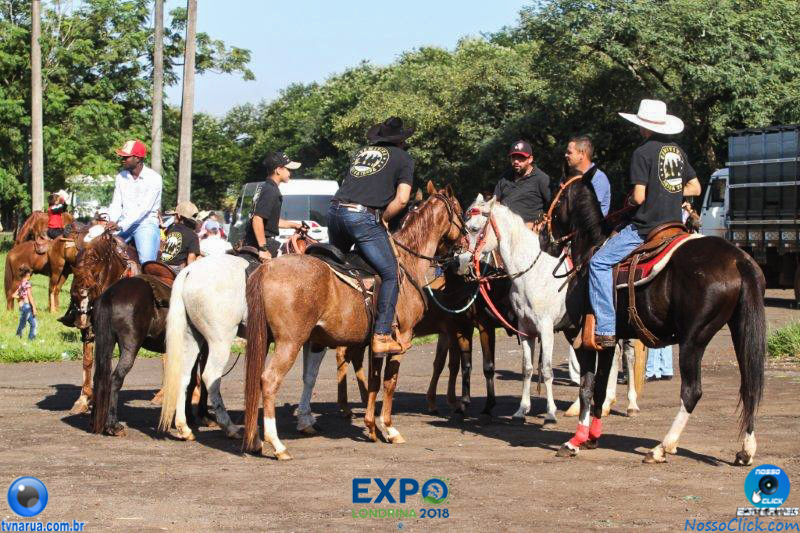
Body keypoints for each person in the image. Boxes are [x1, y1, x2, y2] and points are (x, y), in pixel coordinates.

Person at [589, 99, 702, 348]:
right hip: (676, 226)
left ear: (643, 127)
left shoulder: (642, 153)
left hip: (646, 227)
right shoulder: (678, 151)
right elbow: (695, 187)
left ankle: (606, 327)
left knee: (598, 263)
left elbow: (639, 197)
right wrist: (671, 190)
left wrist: (639, 195)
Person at [328, 116, 414, 356]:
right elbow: (403, 199)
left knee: (340, 270)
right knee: (390, 273)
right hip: (361, 218)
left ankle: (332, 324)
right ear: (401, 141)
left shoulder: (361, 153)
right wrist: (384, 219)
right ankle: (381, 336)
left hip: (335, 212)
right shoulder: (403, 158)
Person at [108, 139, 163, 263]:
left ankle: (149, 281)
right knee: (102, 251)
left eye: (126, 157)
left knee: (146, 263)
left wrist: (120, 225)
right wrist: (112, 220)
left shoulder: (154, 178)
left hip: (146, 224)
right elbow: (116, 203)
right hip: (123, 225)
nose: (122, 159)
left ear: (137, 158)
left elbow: (143, 209)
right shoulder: (120, 177)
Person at [243, 152, 303, 262]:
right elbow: (257, 219)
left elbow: (269, 220)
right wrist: (263, 249)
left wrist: (294, 225)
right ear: (279, 170)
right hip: (261, 243)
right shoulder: (271, 190)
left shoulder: (265, 187)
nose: (290, 172)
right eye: (288, 169)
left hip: (255, 240)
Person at [493, 140, 552, 229]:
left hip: (529, 232)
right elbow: (495, 203)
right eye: (513, 157)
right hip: (504, 230)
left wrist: (542, 223)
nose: (516, 161)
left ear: (530, 159)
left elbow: (553, 206)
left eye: (521, 157)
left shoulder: (542, 179)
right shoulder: (504, 177)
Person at [564, 136, 611, 216]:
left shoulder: (598, 178)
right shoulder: (568, 176)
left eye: (569, 152)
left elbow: (588, 210)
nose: (566, 155)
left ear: (582, 154)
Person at [161, 201, 201, 272]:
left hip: (162, 266)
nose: (174, 217)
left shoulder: (171, 229)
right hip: (176, 270)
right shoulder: (193, 235)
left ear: (179, 216)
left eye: (175, 215)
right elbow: (191, 260)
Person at [15, 266, 37, 340]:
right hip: (27, 306)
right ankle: (31, 339)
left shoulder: (21, 284)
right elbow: (30, 296)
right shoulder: (27, 284)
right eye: (30, 275)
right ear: (27, 275)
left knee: (22, 323)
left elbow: (14, 295)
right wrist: (34, 307)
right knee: (33, 324)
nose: (30, 276)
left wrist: (20, 301)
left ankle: (18, 336)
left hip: (23, 306)